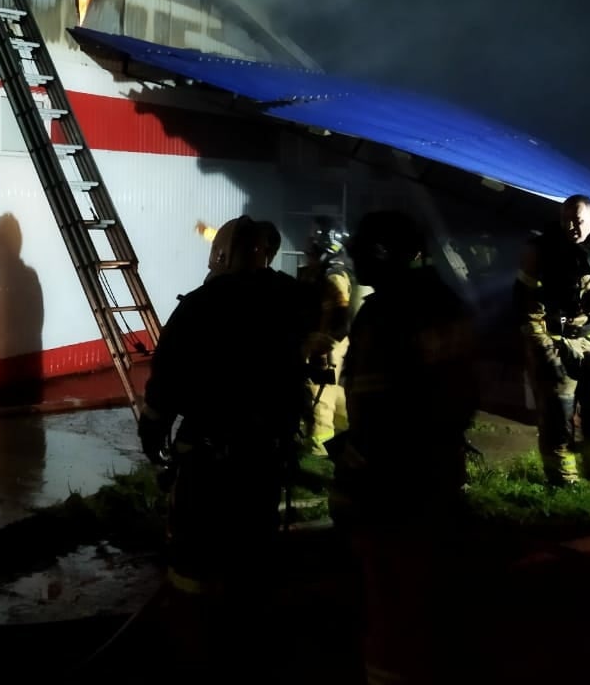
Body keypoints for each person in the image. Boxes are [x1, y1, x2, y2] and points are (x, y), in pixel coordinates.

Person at [328, 210, 477, 684]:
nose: (354, 259)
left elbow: (379, 411)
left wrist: (352, 479)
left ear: (388, 253)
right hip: (439, 473)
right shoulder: (447, 302)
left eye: (364, 251)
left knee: (390, 604)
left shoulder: (386, 313)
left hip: (390, 486)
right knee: (428, 598)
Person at [139, 215, 317, 602]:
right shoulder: (289, 302)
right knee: (252, 548)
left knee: (195, 557)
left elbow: (167, 379)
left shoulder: (200, 306)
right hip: (266, 455)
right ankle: (246, 633)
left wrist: (151, 432)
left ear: (219, 256)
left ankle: (196, 634)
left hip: (209, 458)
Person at [514, 194, 590, 485]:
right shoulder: (541, 250)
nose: (572, 226)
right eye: (566, 220)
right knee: (557, 415)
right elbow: (526, 304)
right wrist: (543, 349)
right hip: (555, 340)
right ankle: (562, 480)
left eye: (578, 220)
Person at [297, 216, 358, 456]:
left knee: (318, 396)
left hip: (327, 346)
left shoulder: (334, 277)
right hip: (327, 344)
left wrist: (320, 348)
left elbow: (339, 320)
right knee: (336, 396)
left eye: (313, 244)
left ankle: (318, 449)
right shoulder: (323, 274)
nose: (307, 249)